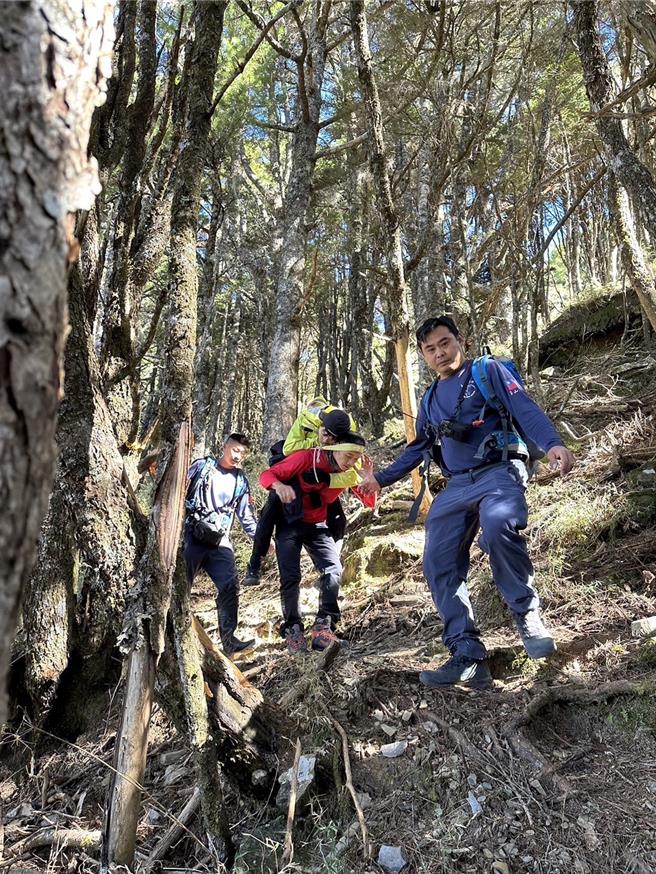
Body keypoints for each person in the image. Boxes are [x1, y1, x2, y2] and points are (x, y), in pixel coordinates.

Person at [358, 316, 575, 690]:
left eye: (445, 343)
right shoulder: (429, 399)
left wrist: (553, 443)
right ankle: (467, 654)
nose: (440, 353)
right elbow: (419, 448)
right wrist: (380, 478)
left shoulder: (487, 371)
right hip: (457, 484)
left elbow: (523, 407)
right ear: (424, 356)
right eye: (430, 349)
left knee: (498, 525)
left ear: (461, 340)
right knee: (437, 560)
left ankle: (527, 615)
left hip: (499, 472)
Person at [259, 433, 369, 654]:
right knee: (290, 577)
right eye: (348, 456)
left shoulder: (349, 472)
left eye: (356, 458)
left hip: (317, 525)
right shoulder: (305, 458)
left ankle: (323, 627)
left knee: (333, 569)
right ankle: (293, 630)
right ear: (334, 449)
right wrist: (279, 486)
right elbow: (266, 475)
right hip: (289, 524)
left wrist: (367, 478)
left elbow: (368, 500)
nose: (350, 462)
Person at [243, 401, 359, 586]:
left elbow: (355, 472)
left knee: (338, 519)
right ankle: (254, 565)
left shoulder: (349, 427)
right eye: (324, 434)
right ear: (319, 424)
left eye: (333, 439)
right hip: (294, 472)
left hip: (322, 479)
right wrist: (316, 444)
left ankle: (330, 571)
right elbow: (289, 448)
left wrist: (328, 480)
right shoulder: (306, 419)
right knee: (270, 512)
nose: (327, 440)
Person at [183, 433, 257, 656]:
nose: (238, 456)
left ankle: (229, 641)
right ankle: (174, 633)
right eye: (235, 450)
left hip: (219, 541)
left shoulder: (241, 481)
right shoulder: (202, 467)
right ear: (225, 447)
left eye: (243, 453)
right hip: (191, 535)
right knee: (180, 586)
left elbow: (247, 517)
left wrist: (263, 540)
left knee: (230, 585)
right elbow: (178, 489)